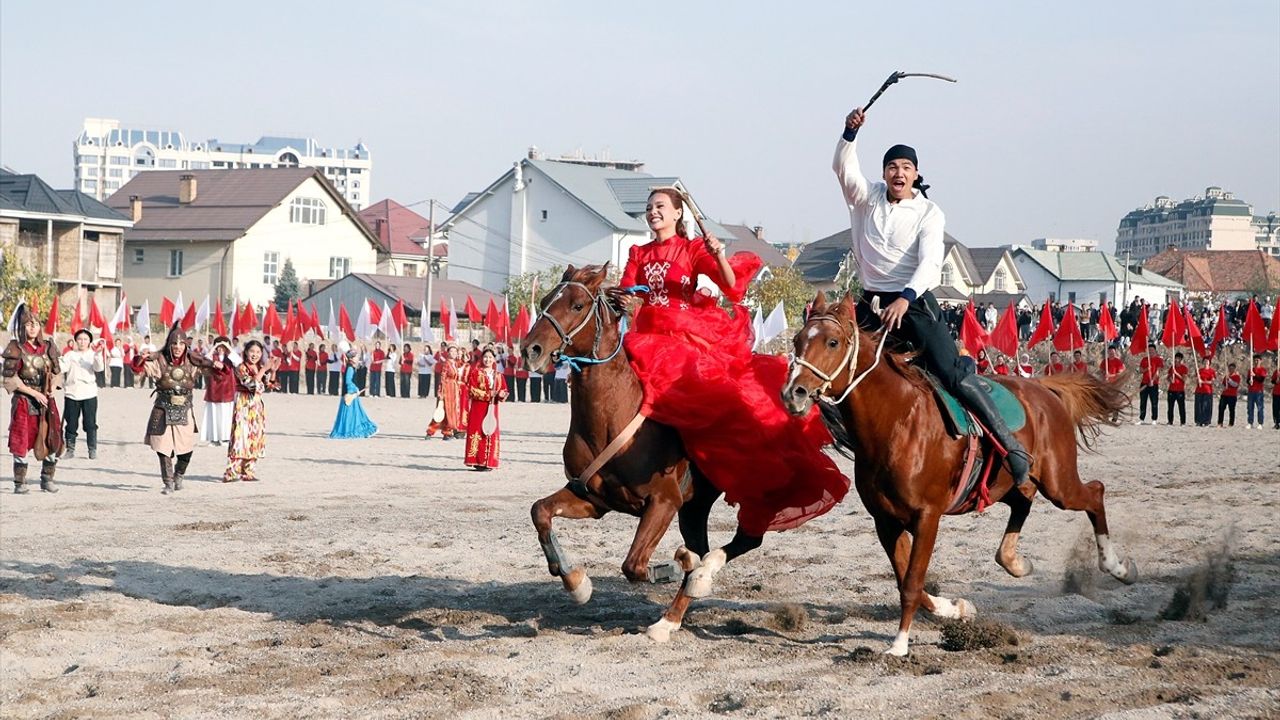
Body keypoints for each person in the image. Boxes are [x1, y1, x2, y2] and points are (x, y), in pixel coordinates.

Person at [609, 186, 850, 535]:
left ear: (678, 213)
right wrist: (621, 298)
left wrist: (718, 254)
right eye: (648, 208)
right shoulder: (637, 252)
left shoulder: (691, 249)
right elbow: (630, 290)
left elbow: (732, 285)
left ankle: (688, 466)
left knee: (705, 392)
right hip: (645, 332)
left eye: (659, 206)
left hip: (683, 334)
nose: (652, 212)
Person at [834, 107, 1030, 485]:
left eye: (906, 167)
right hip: (870, 306)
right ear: (884, 173)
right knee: (833, 365)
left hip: (913, 305)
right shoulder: (865, 199)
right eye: (892, 166)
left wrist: (906, 297)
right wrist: (849, 133)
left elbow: (929, 263)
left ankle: (1009, 446)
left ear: (916, 174)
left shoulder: (928, 212)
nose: (899, 173)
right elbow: (843, 168)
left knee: (952, 375)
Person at [132, 323, 213, 494]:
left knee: (187, 448)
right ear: (169, 345)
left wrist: (215, 364)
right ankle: (168, 482)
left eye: (181, 344)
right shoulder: (159, 360)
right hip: (163, 407)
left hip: (185, 408)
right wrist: (141, 358)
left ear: (186, 345)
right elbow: (138, 369)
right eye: (174, 344)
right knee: (163, 447)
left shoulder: (193, 362)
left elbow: (216, 371)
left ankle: (179, 474)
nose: (177, 347)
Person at [3, 302, 64, 493]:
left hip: (47, 400)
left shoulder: (48, 347)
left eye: (35, 324)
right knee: (21, 440)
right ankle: (20, 483)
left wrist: (52, 387)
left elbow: (57, 373)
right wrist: (33, 393)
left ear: (40, 327)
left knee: (51, 437)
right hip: (24, 400)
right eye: (28, 324)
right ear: (23, 327)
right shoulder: (16, 348)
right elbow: (9, 378)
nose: (32, 327)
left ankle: (47, 479)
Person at [224, 340, 279, 482]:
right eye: (252, 351)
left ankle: (248, 470)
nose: (255, 355)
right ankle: (232, 471)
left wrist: (272, 372)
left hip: (256, 406)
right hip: (243, 404)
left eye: (258, 352)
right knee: (240, 436)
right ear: (246, 352)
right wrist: (263, 370)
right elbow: (251, 384)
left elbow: (269, 386)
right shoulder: (241, 367)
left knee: (254, 436)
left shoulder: (259, 367)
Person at [61, 328, 107, 459]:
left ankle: (92, 449)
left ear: (89, 341)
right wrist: (56, 359)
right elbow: (62, 368)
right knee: (71, 423)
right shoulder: (70, 355)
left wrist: (98, 354)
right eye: (80, 339)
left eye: (85, 339)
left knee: (90, 423)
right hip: (72, 392)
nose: (82, 342)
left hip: (89, 393)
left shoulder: (93, 354)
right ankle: (70, 449)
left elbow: (99, 368)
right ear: (75, 341)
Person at [463, 347, 508, 470]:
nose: (487, 360)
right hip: (478, 408)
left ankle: (489, 462)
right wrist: (488, 395)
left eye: (490, 357)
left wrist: (501, 394)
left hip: (493, 408)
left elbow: (504, 389)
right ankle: (477, 461)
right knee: (478, 431)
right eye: (485, 357)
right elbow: (471, 390)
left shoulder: (498, 375)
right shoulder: (476, 373)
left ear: (494, 360)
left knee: (491, 431)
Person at [329, 349, 377, 439]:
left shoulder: (351, 367)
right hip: (349, 395)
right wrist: (355, 389)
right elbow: (348, 381)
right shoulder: (350, 368)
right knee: (351, 415)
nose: (357, 358)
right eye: (356, 356)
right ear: (352, 358)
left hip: (351, 394)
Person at [200, 337, 236, 447]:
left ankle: (225, 438)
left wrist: (228, 347)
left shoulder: (230, 358)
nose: (220, 349)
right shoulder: (213, 357)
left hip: (227, 390)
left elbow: (238, 361)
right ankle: (214, 439)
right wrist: (214, 347)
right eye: (219, 346)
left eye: (223, 346)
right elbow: (203, 360)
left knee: (226, 415)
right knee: (214, 415)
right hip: (214, 389)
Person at [426, 346, 465, 439]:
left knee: (451, 412)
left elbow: (462, 364)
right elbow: (443, 378)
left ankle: (447, 432)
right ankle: (430, 431)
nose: (454, 353)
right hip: (447, 389)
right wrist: (441, 391)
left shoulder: (455, 363)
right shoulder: (446, 364)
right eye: (451, 351)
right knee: (442, 411)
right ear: (448, 353)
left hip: (454, 390)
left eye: (455, 351)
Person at [1137, 343, 1163, 425]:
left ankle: (1154, 419)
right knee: (1143, 401)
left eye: (1152, 350)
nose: (1150, 351)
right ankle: (1141, 418)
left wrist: (1152, 380)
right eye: (1149, 350)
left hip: (1153, 384)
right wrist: (1146, 369)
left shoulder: (1158, 360)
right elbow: (1140, 370)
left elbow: (1158, 372)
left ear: (1155, 350)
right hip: (1144, 383)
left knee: (1154, 402)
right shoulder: (1144, 359)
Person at [1165, 351, 1187, 426]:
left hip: (1180, 390)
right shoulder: (1172, 367)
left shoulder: (1184, 368)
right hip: (1171, 389)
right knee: (1170, 407)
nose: (1177, 360)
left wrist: (1176, 373)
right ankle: (1170, 421)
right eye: (1176, 359)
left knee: (1181, 407)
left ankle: (1183, 422)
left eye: (1178, 359)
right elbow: (1168, 377)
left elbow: (1184, 379)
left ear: (1181, 359)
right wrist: (1171, 379)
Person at [1245, 354, 1267, 429]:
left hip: (1259, 392)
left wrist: (1254, 376)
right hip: (1251, 391)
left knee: (1260, 408)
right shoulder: (1250, 370)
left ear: (1260, 361)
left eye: (1258, 360)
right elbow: (1247, 380)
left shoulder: (1262, 370)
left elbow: (1261, 380)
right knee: (1250, 407)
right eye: (1255, 360)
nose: (1256, 361)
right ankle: (1250, 422)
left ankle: (1260, 423)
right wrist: (1249, 381)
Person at [1194, 361, 1216, 427]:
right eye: (1204, 362)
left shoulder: (1211, 371)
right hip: (1199, 391)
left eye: (1207, 362)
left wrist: (1203, 382)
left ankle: (1206, 421)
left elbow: (1212, 381)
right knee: (1198, 407)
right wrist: (1197, 379)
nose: (1206, 363)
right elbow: (1196, 379)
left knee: (1206, 407)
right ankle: (1198, 421)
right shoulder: (1200, 370)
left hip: (1207, 391)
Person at [1218, 362, 1241, 427]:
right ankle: (1220, 422)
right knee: (1221, 408)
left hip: (1232, 395)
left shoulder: (1237, 376)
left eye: (1232, 368)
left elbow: (1235, 384)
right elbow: (1223, 384)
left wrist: (1229, 380)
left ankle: (1231, 423)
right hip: (1224, 394)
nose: (1231, 370)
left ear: (1234, 369)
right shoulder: (1226, 376)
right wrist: (1223, 387)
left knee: (1231, 410)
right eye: (1229, 368)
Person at [1270, 358, 1280, 430]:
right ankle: (1276, 423)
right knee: (1275, 409)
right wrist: (1275, 381)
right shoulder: (1276, 372)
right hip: (1276, 393)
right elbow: (1272, 381)